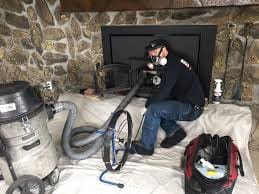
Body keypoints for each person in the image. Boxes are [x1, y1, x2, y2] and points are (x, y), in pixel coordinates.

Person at [129, 39, 205, 156]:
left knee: (154, 109)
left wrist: (147, 106)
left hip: (192, 107)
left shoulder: (173, 65)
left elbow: (164, 91)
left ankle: (146, 146)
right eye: (151, 52)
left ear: (164, 50)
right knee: (160, 105)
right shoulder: (174, 61)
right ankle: (175, 132)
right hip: (186, 101)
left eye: (155, 51)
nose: (152, 54)